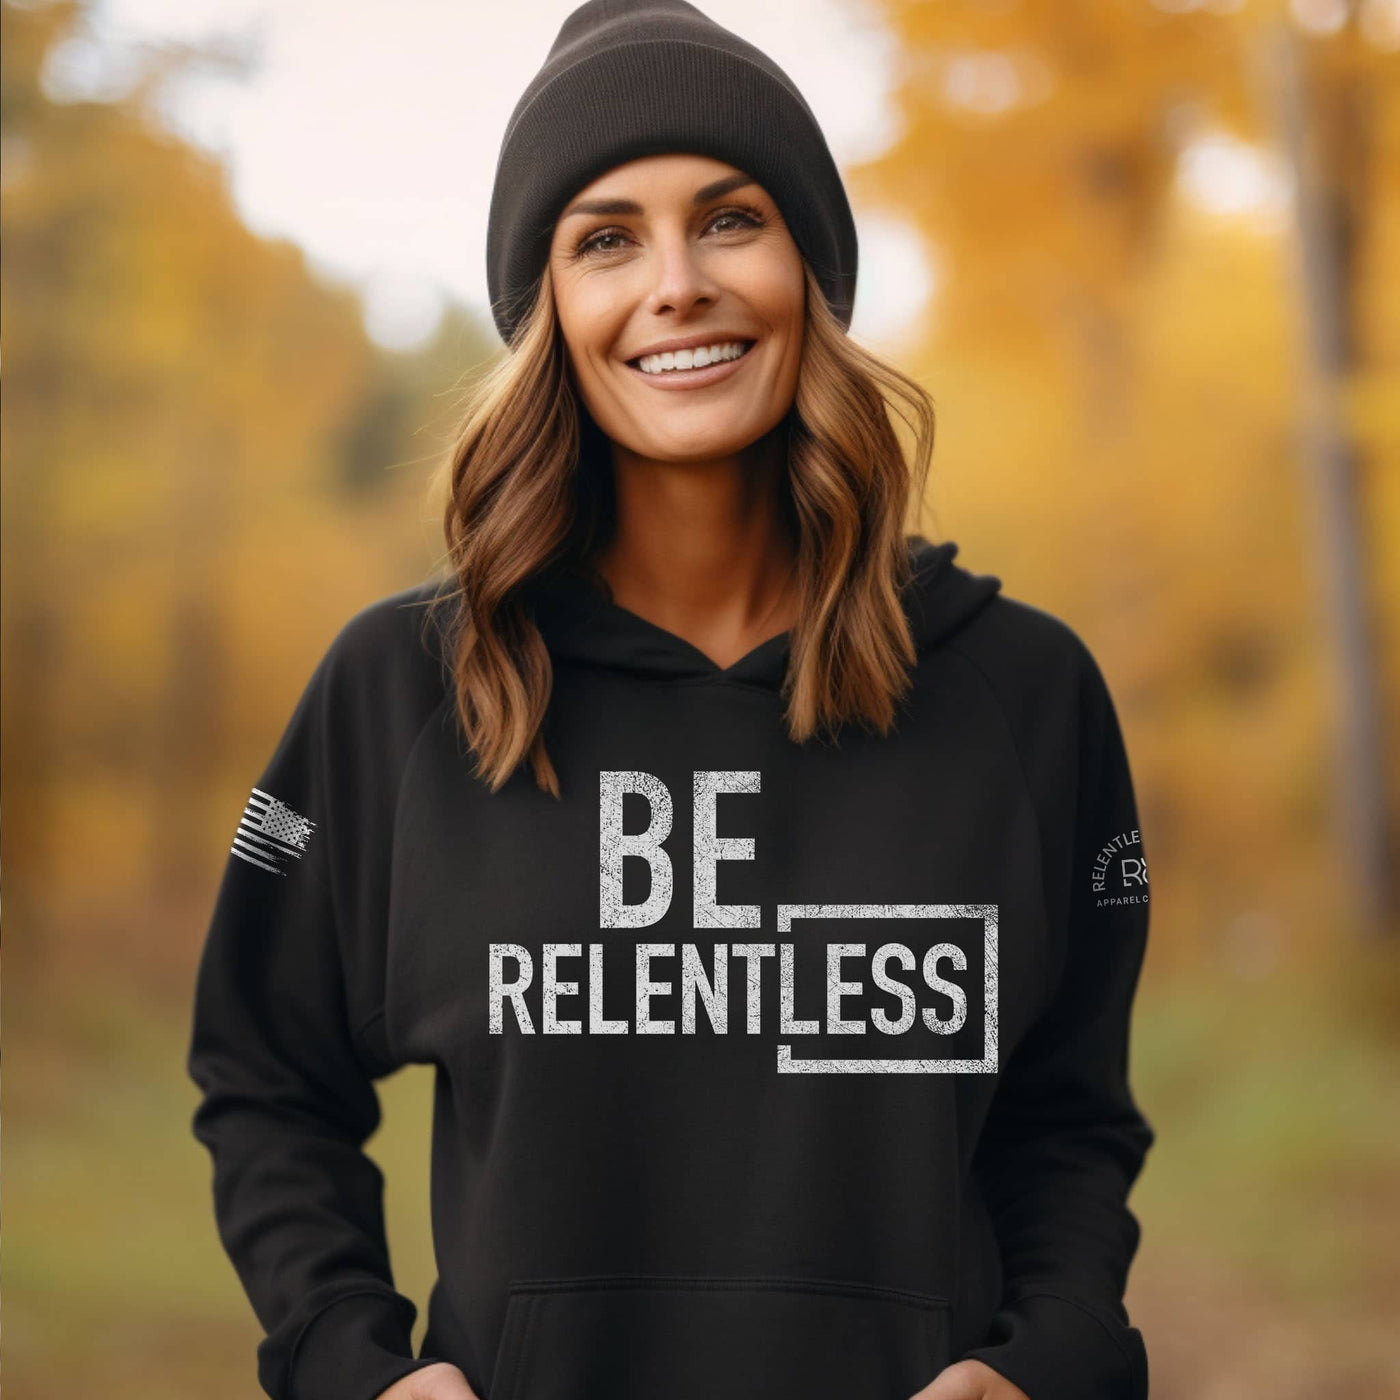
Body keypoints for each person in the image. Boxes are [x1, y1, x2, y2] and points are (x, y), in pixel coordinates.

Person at [185, 2, 1155, 1399]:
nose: (676, 284)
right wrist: (356, 1369)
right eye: (605, 239)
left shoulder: (1022, 691)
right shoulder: (401, 692)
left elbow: (1068, 1119)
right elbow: (266, 1085)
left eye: (731, 218)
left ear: (811, 272)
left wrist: (1046, 1364)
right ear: (548, 313)